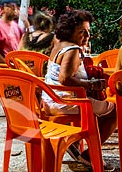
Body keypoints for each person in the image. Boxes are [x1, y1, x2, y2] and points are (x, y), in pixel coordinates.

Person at [42, 10, 116, 168]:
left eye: (89, 32)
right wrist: (91, 84)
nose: (87, 36)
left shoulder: (59, 43)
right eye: (82, 32)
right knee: (116, 112)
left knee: (100, 111)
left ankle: (75, 145)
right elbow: (65, 78)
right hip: (64, 103)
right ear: (70, 31)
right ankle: (89, 155)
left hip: (50, 100)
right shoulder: (73, 50)